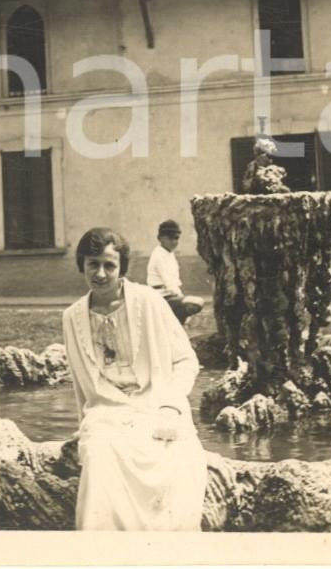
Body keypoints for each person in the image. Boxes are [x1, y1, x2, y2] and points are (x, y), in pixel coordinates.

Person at [62, 227, 207, 531]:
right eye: (93, 264)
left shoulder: (149, 302)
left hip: (156, 404)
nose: (100, 273)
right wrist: (83, 427)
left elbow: (185, 359)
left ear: (122, 268)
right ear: (82, 265)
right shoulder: (72, 317)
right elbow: (81, 385)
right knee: (100, 455)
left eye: (109, 265)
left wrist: (171, 405)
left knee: (173, 458)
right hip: (106, 411)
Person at [146, 220, 205, 325]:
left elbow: (174, 280)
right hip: (160, 296)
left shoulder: (169, 254)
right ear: (161, 239)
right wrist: (182, 300)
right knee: (194, 303)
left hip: (170, 295)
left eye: (176, 238)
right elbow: (169, 283)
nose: (174, 242)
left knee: (195, 303)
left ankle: (175, 325)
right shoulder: (158, 255)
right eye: (170, 238)